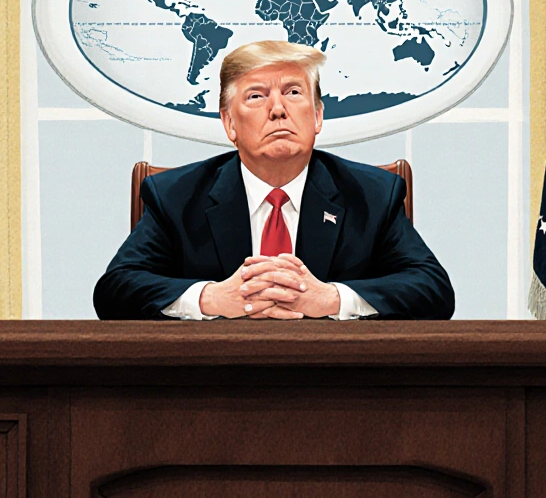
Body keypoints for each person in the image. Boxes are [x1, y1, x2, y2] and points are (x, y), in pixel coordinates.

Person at [94, 40, 455, 320]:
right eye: (257, 96)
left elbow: (432, 289)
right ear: (229, 123)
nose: (278, 109)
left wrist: (331, 298)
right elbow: (115, 289)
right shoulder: (176, 196)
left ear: (317, 116)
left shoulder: (373, 195)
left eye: (293, 92)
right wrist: (211, 298)